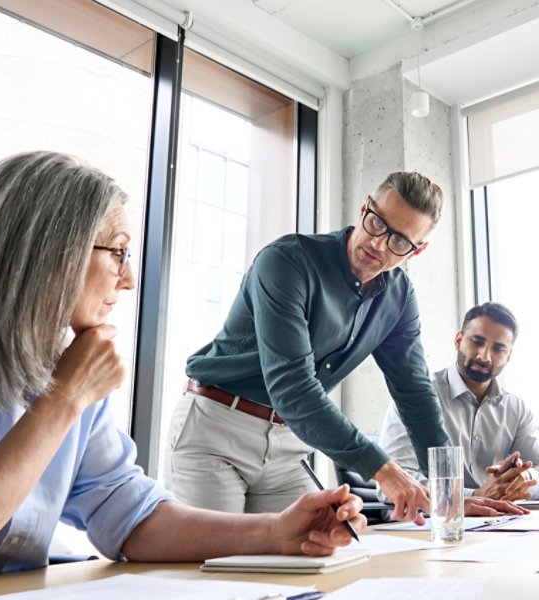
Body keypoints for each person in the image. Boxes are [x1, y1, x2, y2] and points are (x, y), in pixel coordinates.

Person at [0, 151, 367, 592]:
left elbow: (126, 511)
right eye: (119, 254)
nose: (128, 281)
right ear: (50, 253)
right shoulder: (56, 376)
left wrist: (275, 533)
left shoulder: (66, 362)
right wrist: (64, 400)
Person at [166, 171, 453, 523]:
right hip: (217, 430)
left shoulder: (399, 296)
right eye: (377, 223)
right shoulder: (287, 262)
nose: (378, 244)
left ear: (417, 250)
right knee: (214, 568)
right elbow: (294, 388)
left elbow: (415, 392)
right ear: (365, 208)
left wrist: (449, 491)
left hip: (288, 446)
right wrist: (383, 469)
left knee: (319, 554)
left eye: (399, 241)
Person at [378, 301, 539, 507]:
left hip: (499, 522)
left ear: (508, 356)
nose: (484, 356)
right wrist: (473, 496)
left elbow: (536, 469)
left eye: (498, 349)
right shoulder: (415, 396)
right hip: (430, 525)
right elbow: (394, 481)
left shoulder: (517, 409)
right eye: (477, 342)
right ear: (458, 340)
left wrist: (523, 480)